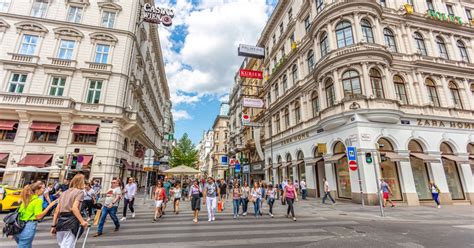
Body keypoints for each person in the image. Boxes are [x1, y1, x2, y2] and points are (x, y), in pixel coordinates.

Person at [13, 182, 56, 248]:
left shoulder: (27, 198)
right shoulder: (38, 201)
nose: (44, 190)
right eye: (43, 188)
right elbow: (38, 217)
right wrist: (49, 206)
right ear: (37, 189)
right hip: (28, 227)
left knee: (26, 245)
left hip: (18, 226)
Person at [52, 174, 89, 248]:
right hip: (71, 221)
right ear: (81, 182)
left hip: (60, 222)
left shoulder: (64, 193)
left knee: (62, 245)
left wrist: (53, 225)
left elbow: (57, 211)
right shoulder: (79, 192)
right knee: (68, 246)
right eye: (84, 182)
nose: (85, 185)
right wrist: (82, 221)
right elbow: (74, 208)